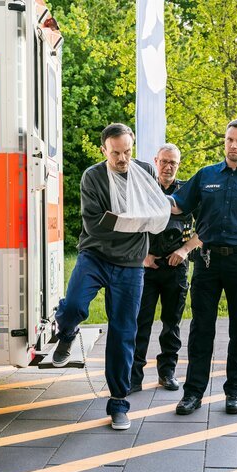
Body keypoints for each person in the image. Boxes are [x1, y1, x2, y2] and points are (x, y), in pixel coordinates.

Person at [169, 119, 237, 416]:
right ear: (225, 141)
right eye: (230, 139)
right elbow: (177, 205)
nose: (233, 145)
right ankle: (193, 393)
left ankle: (234, 392)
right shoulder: (205, 176)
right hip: (207, 261)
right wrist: (148, 196)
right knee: (201, 329)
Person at [51, 123, 157, 431]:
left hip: (131, 264)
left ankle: (119, 403)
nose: (123, 159)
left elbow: (155, 214)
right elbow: (96, 225)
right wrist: (134, 223)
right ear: (103, 150)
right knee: (72, 307)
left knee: (123, 333)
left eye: (127, 151)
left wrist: (129, 222)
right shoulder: (93, 177)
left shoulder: (145, 172)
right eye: (116, 153)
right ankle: (68, 334)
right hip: (95, 256)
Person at [129, 143, 201, 394]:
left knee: (172, 324)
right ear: (155, 161)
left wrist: (184, 251)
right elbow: (132, 224)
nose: (168, 166)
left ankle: (167, 372)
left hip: (176, 268)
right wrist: (143, 255)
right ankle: (134, 376)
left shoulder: (188, 193)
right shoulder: (144, 190)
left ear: (178, 165)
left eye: (173, 162)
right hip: (148, 267)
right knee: (141, 323)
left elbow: (206, 228)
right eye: (164, 161)